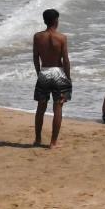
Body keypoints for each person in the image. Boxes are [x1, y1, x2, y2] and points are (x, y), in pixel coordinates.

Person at [32, 8, 72, 148]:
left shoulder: (37, 37)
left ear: (44, 21)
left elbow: (36, 58)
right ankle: (53, 143)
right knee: (58, 107)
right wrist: (68, 78)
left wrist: (39, 73)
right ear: (56, 21)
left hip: (45, 71)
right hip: (58, 72)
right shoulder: (61, 38)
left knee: (41, 107)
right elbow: (65, 60)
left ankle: (37, 139)